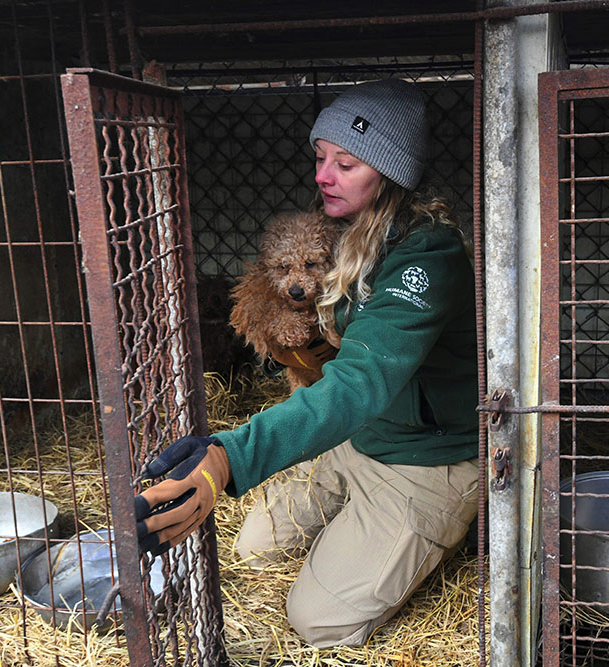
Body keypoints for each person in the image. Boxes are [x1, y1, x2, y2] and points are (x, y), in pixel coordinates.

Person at [134, 78, 479, 648]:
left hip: (426, 459)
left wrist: (230, 456)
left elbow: (361, 380)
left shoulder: (427, 255)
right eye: (321, 158)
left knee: (319, 621)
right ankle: (361, 537)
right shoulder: (349, 236)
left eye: (346, 163)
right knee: (252, 549)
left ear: (388, 171)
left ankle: (440, 530)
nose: (323, 175)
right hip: (362, 438)